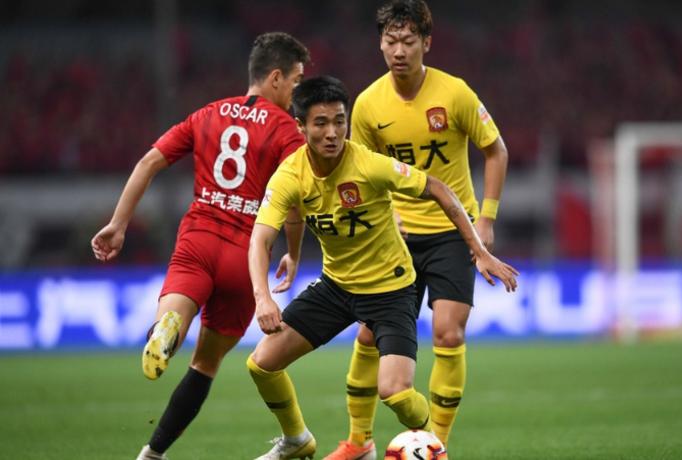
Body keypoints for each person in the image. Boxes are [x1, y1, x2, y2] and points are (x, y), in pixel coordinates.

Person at [245, 75, 518, 460]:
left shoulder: (370, 165)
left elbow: (440, 189)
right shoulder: (290, 175)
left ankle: (432, 444)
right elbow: (260, 239)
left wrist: (479, 248)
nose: (332, 132)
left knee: (396, 393)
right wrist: (264, 296)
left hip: (390, 291)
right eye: (321, 123)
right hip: (336, 288)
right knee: (261, 364)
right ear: (300, 126)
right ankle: (297, 440)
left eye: (339, 121)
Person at [90, 32, 310, 460]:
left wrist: (118, 225)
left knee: (171, 322)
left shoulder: (207, 113)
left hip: (199, 238)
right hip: (246, 255)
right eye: (296, 81)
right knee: (205, 364)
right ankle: (153, 453)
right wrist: (294, 252)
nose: (297, 92)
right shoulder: (287, 129)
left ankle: (167, 329)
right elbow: (295, 203)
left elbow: (149, 162)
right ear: (276, 78)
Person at [325, 1, 512, 458]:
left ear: (426, 43)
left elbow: (496, 150)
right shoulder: (368, 105)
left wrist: (486, 218)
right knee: (369, 334)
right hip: (396, 237)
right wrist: (383, 217)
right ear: (380, 44)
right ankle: (358, 442)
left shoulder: (455, 93)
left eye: (408, 41)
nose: (399, 50)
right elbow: (360, 173)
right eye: (391, 41)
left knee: (448, 333)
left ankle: (437, 446)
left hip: (452, 231)